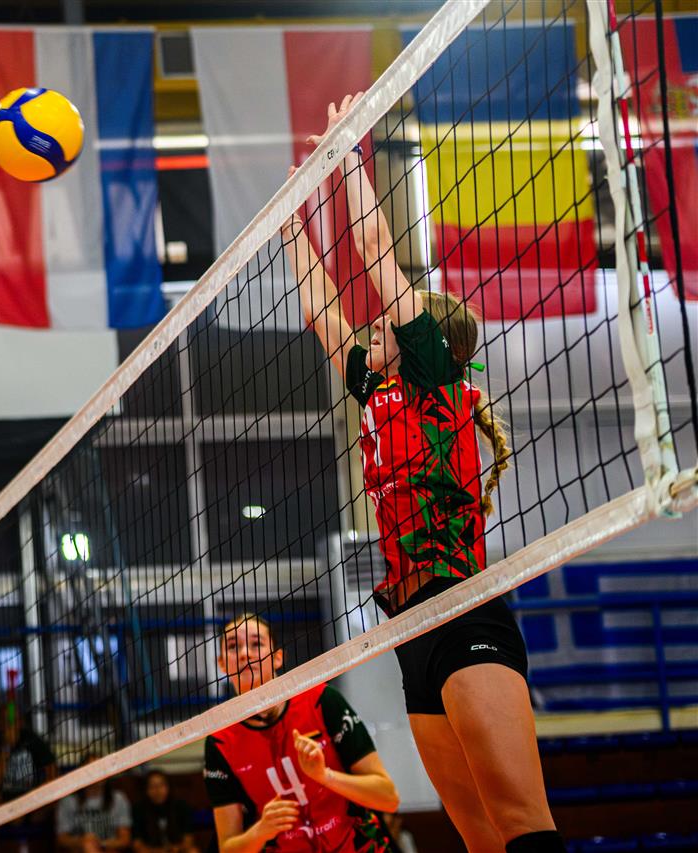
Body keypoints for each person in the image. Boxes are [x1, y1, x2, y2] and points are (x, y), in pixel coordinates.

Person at [283, 91, 560, 853]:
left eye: (387, 324)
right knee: (476, 836)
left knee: (521, 824)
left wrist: (348, 154)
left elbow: (376, 247)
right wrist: (290, 223)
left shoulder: (436, 384)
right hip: (411, 627)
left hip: (463, 611)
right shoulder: (380, 392)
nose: (372, 328)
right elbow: (323, 315)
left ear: (424, 344)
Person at [204, 614, 401, 853]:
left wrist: (325, 776)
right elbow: (228, 848)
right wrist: (260, 831)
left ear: (277, 657)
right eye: (233, 647)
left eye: (256, 644)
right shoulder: (220, 741)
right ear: (222, 664)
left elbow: (388, 798)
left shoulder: (322, 700)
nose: (245, 653)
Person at [0, 702, 58, 853]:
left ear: (21, 722)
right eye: (6, 722)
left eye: (15, 721)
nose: (11, 726)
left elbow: (53, 773)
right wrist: (6, 748)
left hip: (32, 803)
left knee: (57, 799)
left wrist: (34, 799)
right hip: (4, 804)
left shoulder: (33, 740)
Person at [55, 755, 132, 852]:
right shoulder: (69, 801)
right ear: (82, 774)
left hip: (109, 849)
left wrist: (101, 844)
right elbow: (62, 839)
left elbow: (125, 840)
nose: (99, 773)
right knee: (88, 845)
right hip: (80, 849)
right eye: (93, 769)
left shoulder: (118, 798)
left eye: (101, 768)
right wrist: (82, 841)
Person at [131, 770, 198, 853]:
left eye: (161, 785)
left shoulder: (181, 806)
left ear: (169, 787)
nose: (158, 790)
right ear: (145, 790)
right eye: (152, 786)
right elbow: (137, 845)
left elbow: (188, 841)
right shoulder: (138, 809)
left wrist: (175, 849)